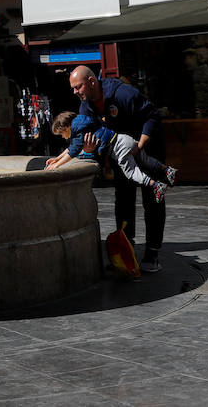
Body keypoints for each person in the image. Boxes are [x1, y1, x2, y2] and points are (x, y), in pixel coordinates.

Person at [65, 65, 168, 273]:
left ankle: (152, 253)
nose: (75, 92)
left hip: (147, 149)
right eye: (73, 89)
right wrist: (87, 149)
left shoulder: (123, 93)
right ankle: (125, 251)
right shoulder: (86, 106)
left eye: (78, 87)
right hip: (121, 155)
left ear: (92, 82)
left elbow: (153, 116)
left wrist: (139, 147)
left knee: (153, 201)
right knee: (123, 201)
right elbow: (85, 139)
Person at [46, 111, 177, 203]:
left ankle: (156, 185)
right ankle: (167, 170)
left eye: (62, 134)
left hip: (118, 148)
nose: (63, 137)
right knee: (144, 159)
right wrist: (57, 159)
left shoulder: (78, 131)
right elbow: (71, 148)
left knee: (131, 172)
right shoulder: (82, 123)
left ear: (65, 127)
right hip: (124, 138)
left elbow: (72, 152)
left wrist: (56, 166)